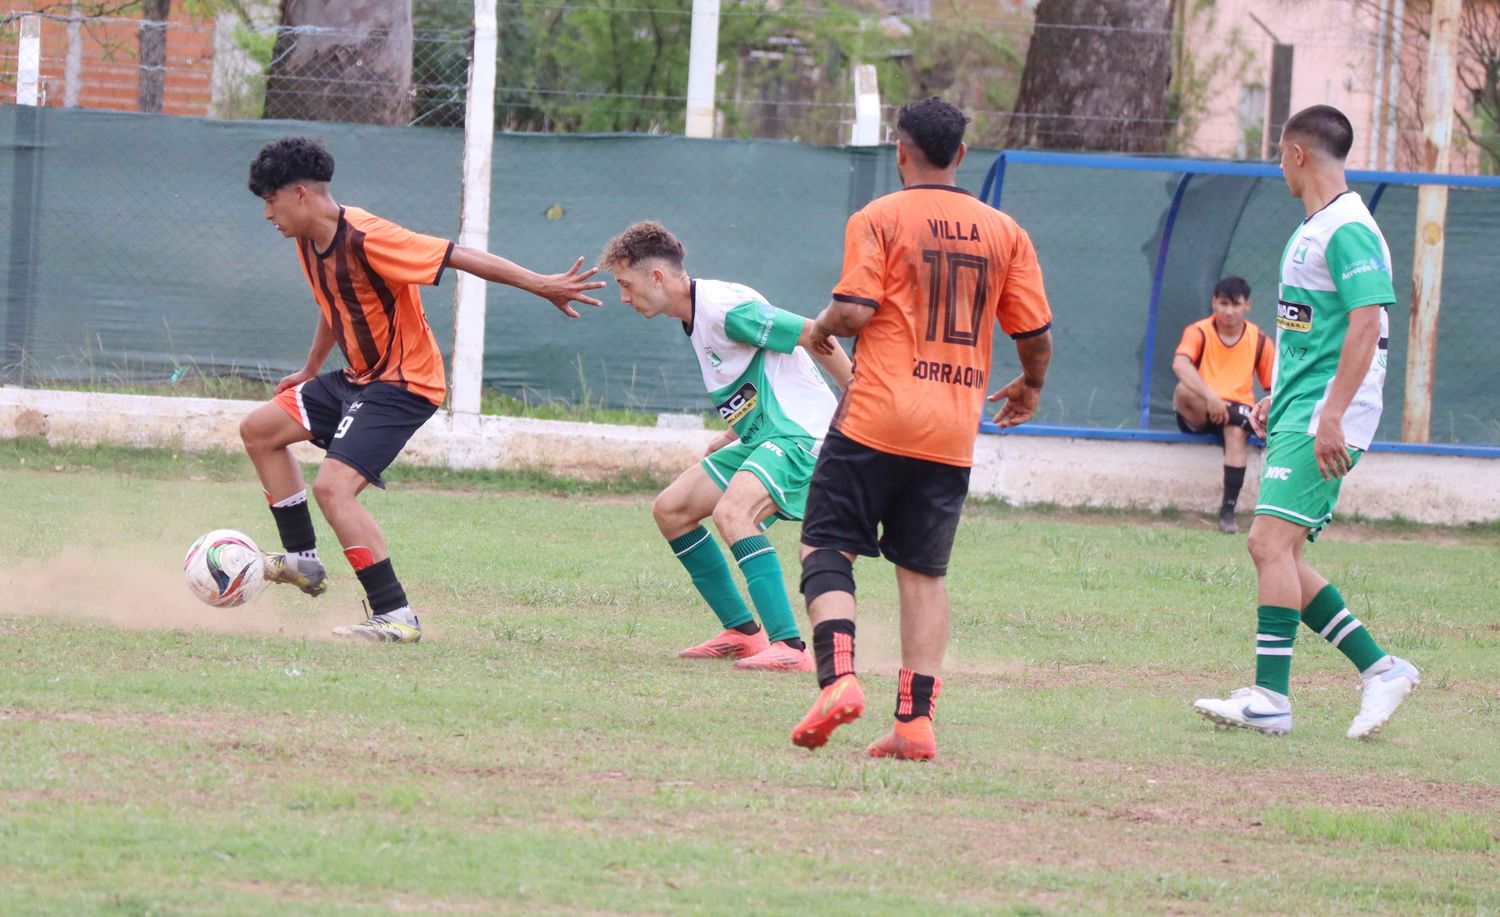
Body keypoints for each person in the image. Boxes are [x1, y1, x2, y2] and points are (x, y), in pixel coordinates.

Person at [239, 136, 604, 643]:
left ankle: (395, 614)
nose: (266, 214)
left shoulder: (368, 236)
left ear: (299, 193)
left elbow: (458, 256)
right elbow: (335, 303)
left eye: (269, 200)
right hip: (358, 379)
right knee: (259, 430)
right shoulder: (306, 241)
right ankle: (302, 558)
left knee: (333, 490)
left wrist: (541, 284)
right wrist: (310, 369)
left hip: (405, 382)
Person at [788, 97, 1054, 760]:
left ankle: (839, 680)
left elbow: (852, 311)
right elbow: (1035, 332)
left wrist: (820, 327)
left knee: (824, 544)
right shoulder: (1005, 231)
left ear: (899, 150)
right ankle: (915, 722)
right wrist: (1031, 385)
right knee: (923, 574)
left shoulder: (879, 217)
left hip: (876, 417)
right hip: (951, 430)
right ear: (962, 155)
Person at [1194, 105, 1419, 738]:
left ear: (1297, 154)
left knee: (1266, 543)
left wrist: (1332, 415)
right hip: (1303, 403)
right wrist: (1280, 396)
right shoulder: (1315, 226)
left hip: (1329, 411)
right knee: (1284, 552)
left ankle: (1271, 699)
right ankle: (1381, 670)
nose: (1278, 167)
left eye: (1279, 155)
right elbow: (1307, 332)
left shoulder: (1347, 227)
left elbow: (1367, 322)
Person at [598, 221, 854, 671]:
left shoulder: (722, 309)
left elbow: (815, 334)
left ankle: (789, 646)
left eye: (625, 284)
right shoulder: (696, 315)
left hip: (801, 435)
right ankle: (742, 632)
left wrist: (858, 395)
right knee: (672, 510)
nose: (623, 297)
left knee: (733, 513)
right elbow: (764, 372)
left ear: (657, 277)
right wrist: (733, 435)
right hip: (767, 434)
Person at [1171, 276, 1275, 533]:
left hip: (1237, 412)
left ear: (1247, 305)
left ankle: (1228, 511)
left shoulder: (1259, 340)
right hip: (1202, 409)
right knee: (1183, 390)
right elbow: (1180, 364)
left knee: (1236, 431)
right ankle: (1239, 416)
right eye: (1223, 303)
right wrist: (1211, 398)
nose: (1229, 311)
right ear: (1213, 303)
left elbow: (1275, 387)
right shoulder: (1199, 331)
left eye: (1236, 304)